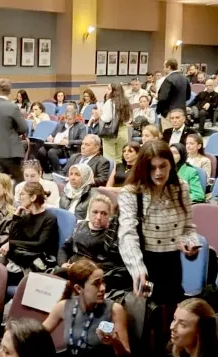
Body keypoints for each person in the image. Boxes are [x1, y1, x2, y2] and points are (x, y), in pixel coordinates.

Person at [118, 140, 201, 301]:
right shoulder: (131, 192)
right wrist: (137, 268)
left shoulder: (181, 187)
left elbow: (187, 227)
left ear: (171, 164)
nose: (158, 173)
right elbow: (127, 234)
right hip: (142, 260)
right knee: (144, 310)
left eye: (163, 166)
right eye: (152, 168)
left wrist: (190, 244)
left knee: (170, 309)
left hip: (172, 262)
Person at [58, 195, 131, 292]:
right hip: (72, 268)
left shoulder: (112, 235)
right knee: (57, 273)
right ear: (89, 212)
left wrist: (80, 268)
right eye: (95, 212)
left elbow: (114, 263)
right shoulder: (80, 226)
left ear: (110, 215)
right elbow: (64, 248)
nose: (99, 217)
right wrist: (63, 263)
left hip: (96, 275)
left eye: (104, 213)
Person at [0, 182, 59, 283]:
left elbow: (40, 245)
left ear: (33, 197)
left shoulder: (49, 218)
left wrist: (11, 243)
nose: (19, 197)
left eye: (22, 194)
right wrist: (16, 217)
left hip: (36, 261)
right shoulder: (26, 216)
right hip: (20, 257)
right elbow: (13, 238)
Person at [0, 79, 30, 184]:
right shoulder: (12, 107)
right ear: (9, 91)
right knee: (18, 181)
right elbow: (24, 128)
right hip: (11, 150)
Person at [41, 105, 87, 174]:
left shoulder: (80, 126)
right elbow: (52, 134)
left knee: (51, 152)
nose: (67, 121)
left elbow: (82, 140)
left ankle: (57, 172)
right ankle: (47, 170)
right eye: (66, 119)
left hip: (69, 149)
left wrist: (68, 142)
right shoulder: (61, 124)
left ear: (75, 119)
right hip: (57, 145)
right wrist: (50, 138)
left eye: (70, 119)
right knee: (41, 151)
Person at [99, 82, 133, 162]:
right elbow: (129, 119)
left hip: (111, 132)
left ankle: (112, 170)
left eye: (108, 89)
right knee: (120, 158)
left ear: (114, 91)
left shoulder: (110, 102)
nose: (106, 90)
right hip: (123, 131)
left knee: (109, 158)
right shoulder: (126, 102)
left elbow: (106, 119)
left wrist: (100, 114)